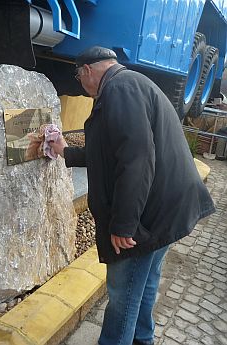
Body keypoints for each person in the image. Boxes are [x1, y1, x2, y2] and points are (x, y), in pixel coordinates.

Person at [50, 46, 215, 345]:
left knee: (123, 294)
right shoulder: (129, 84)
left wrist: (124, 224)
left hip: (150, 215)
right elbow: (110, 151)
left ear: (87, 71)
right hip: (168, 207)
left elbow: (136, 160)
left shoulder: (119, 91)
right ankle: (142, 339)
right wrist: (66, 152)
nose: (80, 84)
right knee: (146, 281)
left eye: (78, 76)